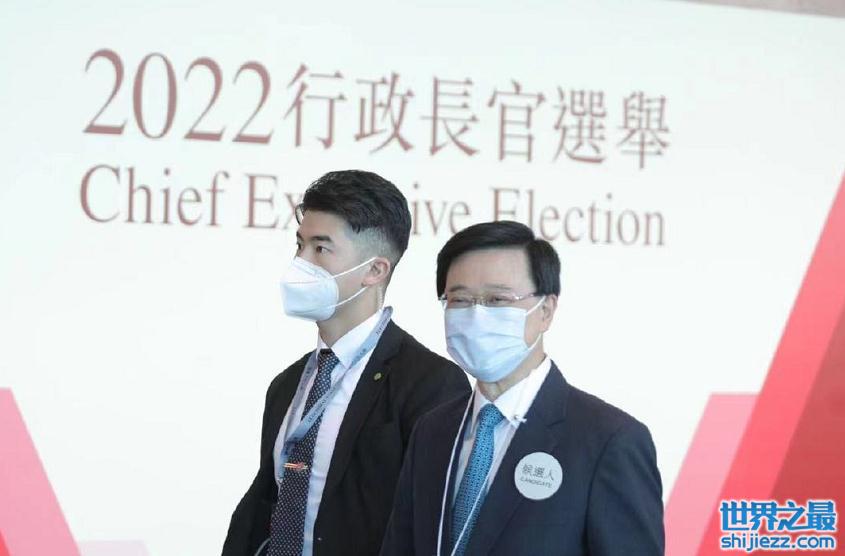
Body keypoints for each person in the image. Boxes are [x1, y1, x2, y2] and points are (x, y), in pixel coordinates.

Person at [223, 170, 470, 556]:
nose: (301, 262)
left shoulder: (431, 383)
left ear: (374, 270)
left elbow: (430, 526)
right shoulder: (287, 384)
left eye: (320, 249)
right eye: (300, 245)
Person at [380, 220, 664, 556]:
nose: (477, 315)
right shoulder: (432, 431)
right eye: (460, 300)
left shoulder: (608, 440)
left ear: (545, 310)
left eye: (497, 299)